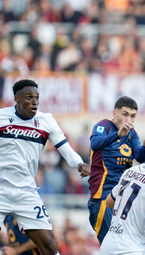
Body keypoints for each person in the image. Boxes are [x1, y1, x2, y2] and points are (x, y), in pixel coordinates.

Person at [0, 79, 90, 255]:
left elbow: (66, 149)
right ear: (17, 99)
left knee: (49, 245)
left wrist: (79, 163)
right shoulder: (1, 117)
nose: (34, 101)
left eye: (37, 97)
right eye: (29, 97)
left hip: (26, 191)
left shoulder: (46, 120)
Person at [87, 96, 145, 244]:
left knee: (122, 245)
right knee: (111, 245)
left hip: (121, 198)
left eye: (132, 116)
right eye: (125, 114)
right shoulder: (103, 126)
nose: (129, 120)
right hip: (101, 196)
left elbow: (139, 156)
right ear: (114, 113)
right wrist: (117, 135)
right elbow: (95, 144)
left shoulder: (132, 134)